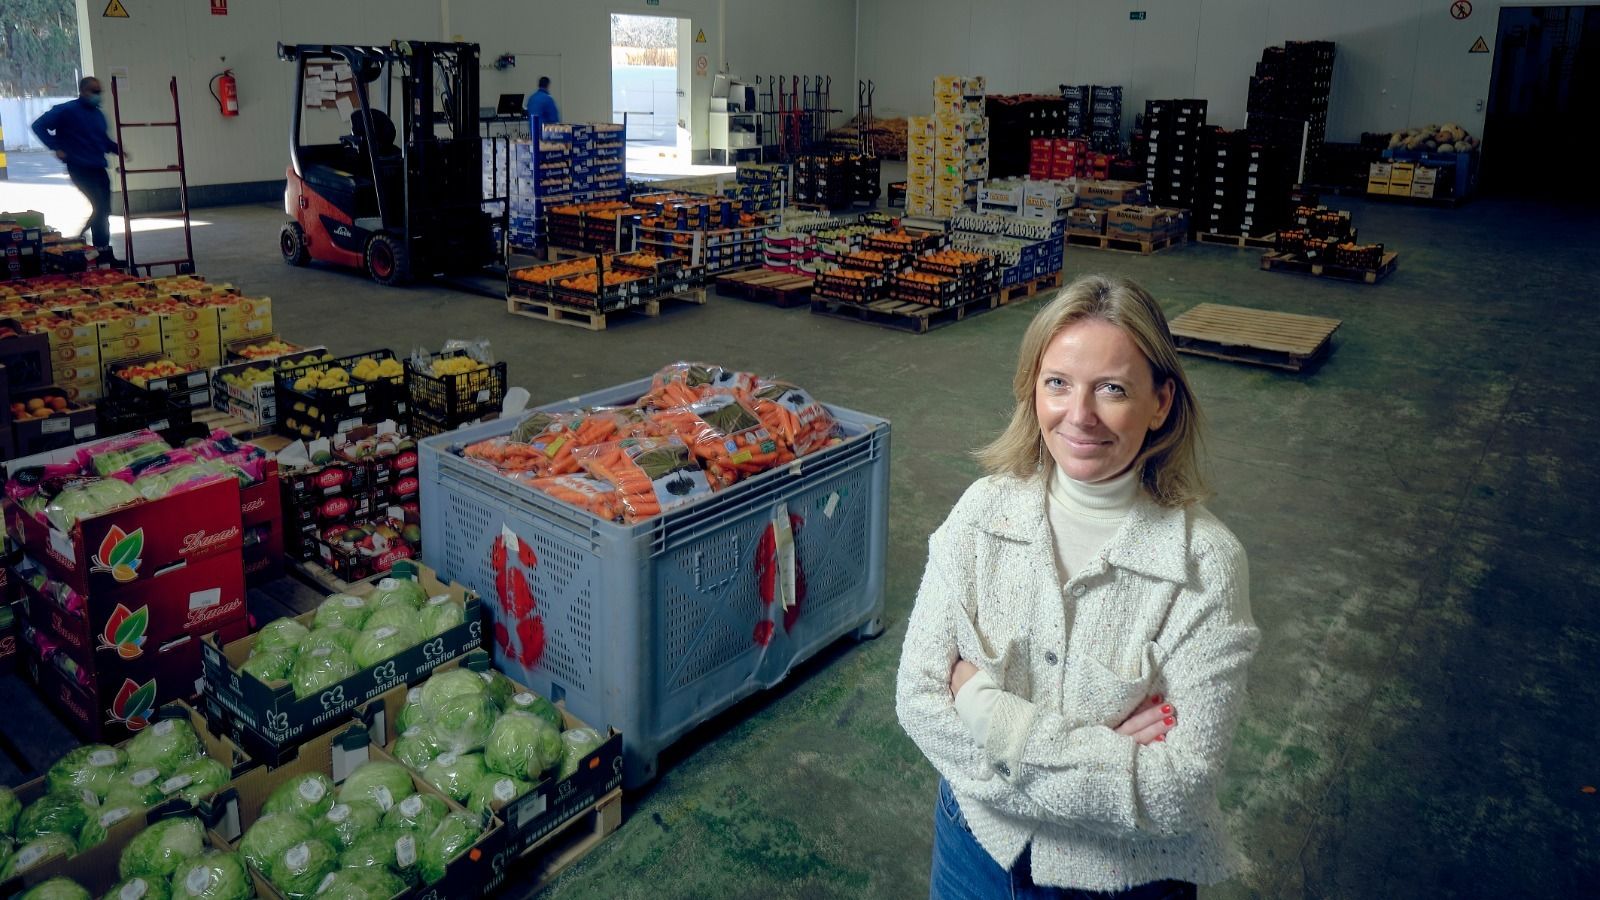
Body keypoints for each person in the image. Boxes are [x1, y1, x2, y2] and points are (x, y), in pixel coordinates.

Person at [896, 274, 1260, 899]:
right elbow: (918, 699)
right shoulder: (982, 513)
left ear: (1161, 402)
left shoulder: (1204, 566)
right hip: (976, 849)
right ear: (1032, 388)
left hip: (1123, 877)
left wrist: (987, 710)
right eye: (1058, 383)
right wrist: (1107, 760)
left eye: (1112, 389)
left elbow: (1180, 787)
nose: (1079, 415)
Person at [31, 77, 128, 258]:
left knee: (104, 210)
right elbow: (38, 125)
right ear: (83, 91)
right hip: (79, 168)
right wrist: (55, 147)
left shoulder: (98, 115)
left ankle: (102, 251)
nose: (98, 95)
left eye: (100, 91)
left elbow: (103, 141)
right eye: (94, 91)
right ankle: (77, 239)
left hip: (98, 167)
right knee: (99, 207)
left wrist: (118, 149)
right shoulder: (67, 110)